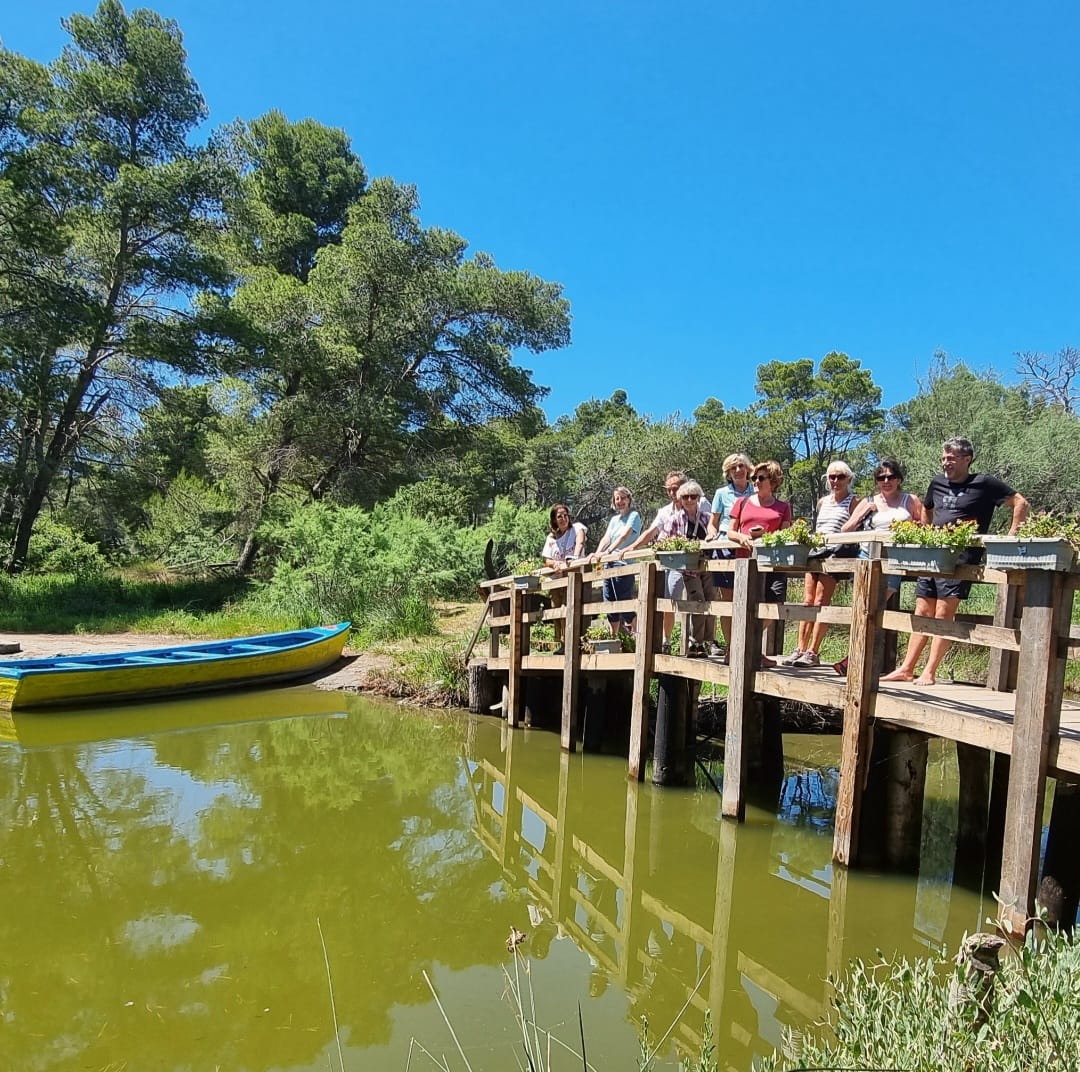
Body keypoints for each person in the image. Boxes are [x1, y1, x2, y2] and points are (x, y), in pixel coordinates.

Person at [882, 437, 1028, 686]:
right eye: (943, 458)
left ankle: (929, 671)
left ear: (967, 459)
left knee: (943, 613)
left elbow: (1020, 502)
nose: (945, 463)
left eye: (951, 458)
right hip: (932, 555)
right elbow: (927, 508)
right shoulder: (937, 483)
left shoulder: (983, 483)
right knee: (922, 610)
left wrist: (1011, 536)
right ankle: (906, 668)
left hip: (960, 558)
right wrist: (926, 534)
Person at [831, 457, 924, 676]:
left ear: (899, 479)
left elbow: (925, 526)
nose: (886, 481)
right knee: (863, 609)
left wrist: (908, 530)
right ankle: (855, 659)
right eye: (881, 477)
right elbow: (845, 530)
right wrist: (864, 513)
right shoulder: (869, 501)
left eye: (891, 476)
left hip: (895, 560)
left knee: (876, 609)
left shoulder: (910, 500)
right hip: (867, 559)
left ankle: (856, 659)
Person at [620, 471, 708, 648]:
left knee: (702, 600)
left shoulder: (700, 503)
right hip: (675, 564)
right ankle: (666, 640)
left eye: (675, 488)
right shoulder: (666, 512)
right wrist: (632, 547)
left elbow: (711, 524)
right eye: (668, 489)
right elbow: (652, 533)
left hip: (700, 563)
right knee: (671, 599)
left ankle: (699, 642)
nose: (672, 492)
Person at [784, 462, 860, 668]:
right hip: (816, 551)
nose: (836, 481)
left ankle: (813, 651)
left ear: (849, 479)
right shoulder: (822, 502)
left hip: (836, 553)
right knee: (807, 601)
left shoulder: (854, 502)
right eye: (832, 477)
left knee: (821, 601)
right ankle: (799, 648)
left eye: (840, 477)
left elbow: (852, 530)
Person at [727, 460, 792, 667]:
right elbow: (729, 531)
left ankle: (751, 647)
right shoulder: (743, 503)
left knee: (774, 606)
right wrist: (742, 538)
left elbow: (787, 534)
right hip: (746, 563)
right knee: (743, 607)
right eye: (754, 478)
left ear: (772, 482)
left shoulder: (783, 507)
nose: (755, 481)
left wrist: (767, 536)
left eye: (760, 478)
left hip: (773, 563)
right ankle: (738, 649)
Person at [657, 480, 714, 656]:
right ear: (680, 499)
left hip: (708, 566)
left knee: (710, 602)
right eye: (685, 497)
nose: (689, 500)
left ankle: (708, 641)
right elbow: (662, 541)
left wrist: (708, 540)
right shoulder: (674, 520)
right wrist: (680, 547)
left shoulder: (706, 518)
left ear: (698, 498)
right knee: (697, 601)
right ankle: (695, 642)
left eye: (693, 496)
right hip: (688, 568)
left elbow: (714, 534)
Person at [705, 453, 754, 656]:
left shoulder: (756, 490)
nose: (738, 470)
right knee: (729, 599)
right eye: (733, 467)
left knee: (751, 597)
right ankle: (732, 646)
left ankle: (750, 646)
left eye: (741, 466)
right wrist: (711, 533)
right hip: (726, 546)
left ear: (748, 469)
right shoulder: (721, 493)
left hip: (750, 545)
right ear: (728, 472)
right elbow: (713, 522)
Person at [591, 486, 642, 635]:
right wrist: (598, 553)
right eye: (617, 498)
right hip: (609, 564)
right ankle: (613, 638)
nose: (620, 501)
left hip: (624, 563)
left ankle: (637, 633)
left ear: (629, 499)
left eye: (622, 498)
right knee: (609, 601)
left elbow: (624, 536)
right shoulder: (614, 520)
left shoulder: (634, 516)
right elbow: (606, 538)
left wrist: (608, 551)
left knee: (623, 599)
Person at [541, 504, 587, 653]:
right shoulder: (551, 538)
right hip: (556, 580)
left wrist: (573, 558)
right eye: (559, 516)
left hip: (573, 577)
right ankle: (561, 643)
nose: (563, 518)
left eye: (565, 515)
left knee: (570, 609)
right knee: (557, 610)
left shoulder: (577, 528)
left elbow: (580, 542)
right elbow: (546, 559)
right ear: (554, 519)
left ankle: (573, 643)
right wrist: (554, 564)